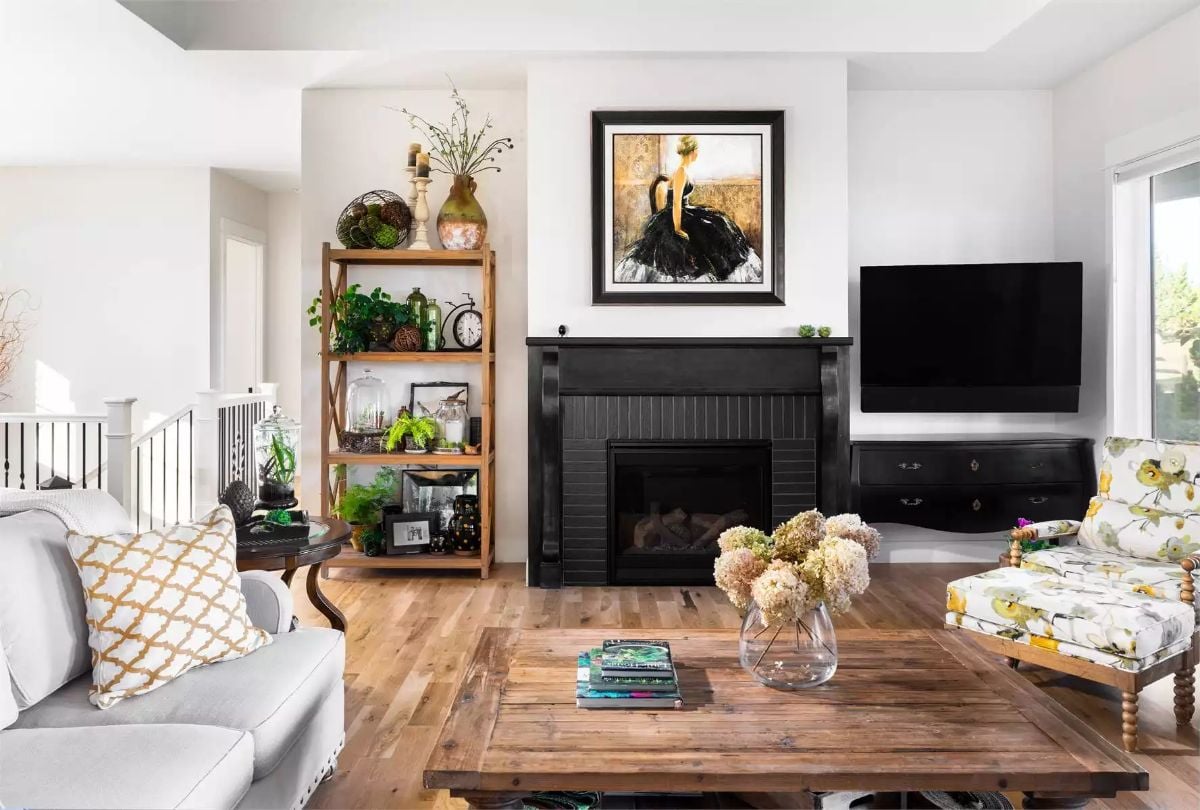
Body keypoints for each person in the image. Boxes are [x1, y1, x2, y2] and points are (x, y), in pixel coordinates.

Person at [614, 134, 763, 283]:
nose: (697, 153)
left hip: (686, 211)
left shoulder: (685, 170)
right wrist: (678, 228)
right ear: (692, 151)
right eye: (696, 150)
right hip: (677, 214)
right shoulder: (681, 172)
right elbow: (677, 202)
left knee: (718, 225)